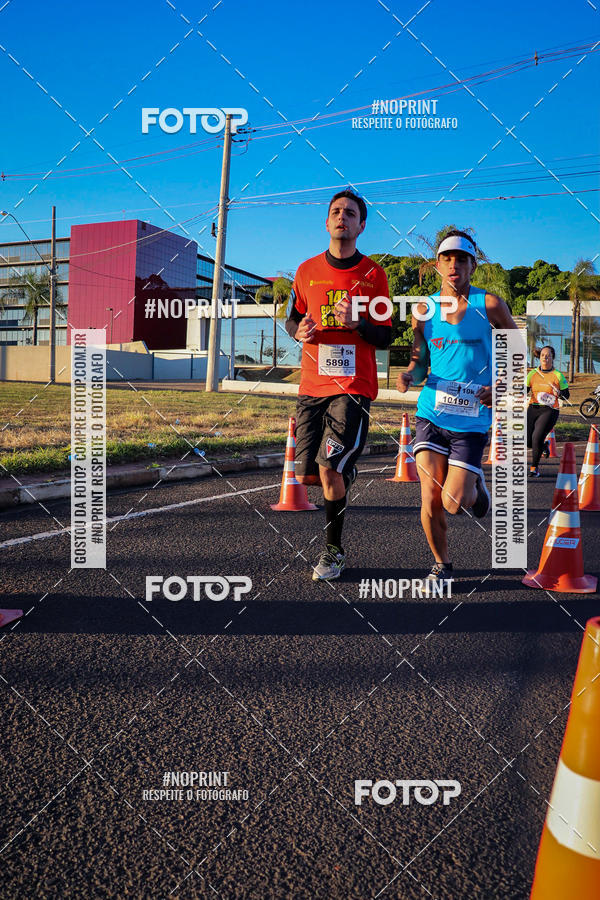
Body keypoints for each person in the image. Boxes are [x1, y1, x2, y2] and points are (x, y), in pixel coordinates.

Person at [397, 230, 517, 581]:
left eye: (461, 259)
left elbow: (517, 353)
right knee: (430, 497)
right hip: (431, 411)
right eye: (447, 259)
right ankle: (442, 565)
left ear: (472, 266)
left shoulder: (489, 305)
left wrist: (500, 387)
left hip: (472, 418)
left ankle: (477, 490)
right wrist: (409, 374)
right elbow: (419, 362)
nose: (454, 265)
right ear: (437, 266)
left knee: (453, 502)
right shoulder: (424, 310)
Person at [285, 190, 392, 581]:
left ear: (361, 225)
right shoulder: (306, 270)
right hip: (311, 385)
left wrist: (357, 325)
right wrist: (300, 332)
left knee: (329, 469)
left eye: (350, 213)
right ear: (326, 222)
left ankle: (333, 552)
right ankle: (345, 471)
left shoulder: (373, 274)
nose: (341, 217)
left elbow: (384, 336)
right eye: (336, 212)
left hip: (353, 386)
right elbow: (291, 319)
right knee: (307, 475)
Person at [526, 345, 569, 477]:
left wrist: (560, 392)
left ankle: (534, 468)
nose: (545, 357)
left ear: (552, 358)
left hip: (550, 410)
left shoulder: (558, 376)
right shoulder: (532, 374)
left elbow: (566, 395)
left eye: (548, 355)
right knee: (528, 441)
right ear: (539, 357)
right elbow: (525, 389)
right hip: (533, 408)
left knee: (536, 437)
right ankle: (544, 446)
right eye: (543, 355)